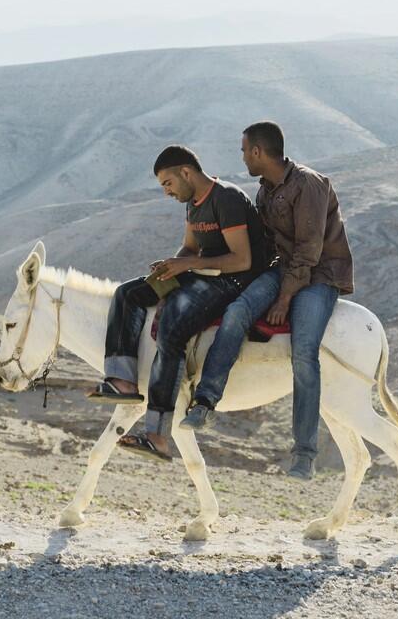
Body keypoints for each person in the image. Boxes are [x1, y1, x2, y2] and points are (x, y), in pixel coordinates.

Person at [179, 121, 354, 480]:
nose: (243, 157)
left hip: (320, 275)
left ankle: (304, 453)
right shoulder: (264, 191)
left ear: (258, 151)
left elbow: (309, 251)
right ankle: (206, 401)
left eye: (244, 150)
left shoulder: (309, 184)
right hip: (283, 270)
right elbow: (268, 247)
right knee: (237, 311)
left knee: (304, 353)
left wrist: (284, 298)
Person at [88, 144, 271, 461]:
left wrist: (186, 266)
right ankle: (122, 382)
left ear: (186, 172)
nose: (166, 192)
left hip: (233, 281)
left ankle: (157, 435)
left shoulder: (226, 198)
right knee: (128, 294)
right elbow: (190, 248)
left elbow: (242, 260)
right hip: (202, 272)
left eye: (167, 183)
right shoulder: (193, 204)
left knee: (171, 328)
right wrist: (173, 263)